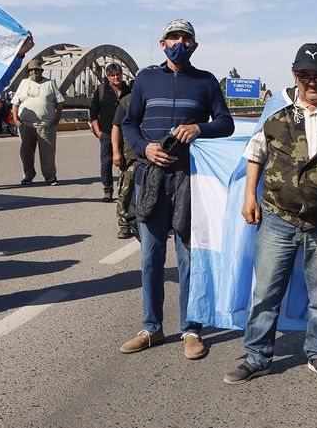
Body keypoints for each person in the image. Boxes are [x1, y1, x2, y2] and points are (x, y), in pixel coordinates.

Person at [223, 43, 317, 385]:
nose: (311, 82)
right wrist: (249, 195)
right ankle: (257, 356)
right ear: (295, 76)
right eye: (305, 76)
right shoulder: (277, 112)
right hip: (278, 218)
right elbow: (255, 153)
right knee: (265, 293)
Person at [120, 19, 234, 359]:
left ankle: (191, 329)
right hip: (151, 179)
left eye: (186, 38)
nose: (179, 43)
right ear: (162, 42)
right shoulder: (145, 79)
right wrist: (144, 148)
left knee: (189, 259)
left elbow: (225, 122)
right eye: (173, 37)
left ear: (194, 46)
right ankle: (151, 328)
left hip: (189, 181)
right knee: (150, 258)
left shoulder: (206, 82)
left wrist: (199, 127)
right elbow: (129, 123)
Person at [11, 58, 64, 186]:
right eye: (32, 70)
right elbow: (15, 102)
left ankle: (50, 177)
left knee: (48, 153)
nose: (34, 72)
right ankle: (28, 175)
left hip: (45, 125)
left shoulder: (50, 83)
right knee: (26, 152)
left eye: (37, 70)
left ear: (41, 71)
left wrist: (56, 119)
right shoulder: (23, 83)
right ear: (29, 72)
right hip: (26, 124)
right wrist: (15, 119)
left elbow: (60, 102)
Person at [89, 62, 130, 202]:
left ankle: (124, 190)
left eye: (118, 74)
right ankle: (108, 190)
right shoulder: (101, 90)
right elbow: (93, 113)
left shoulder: (129, 90)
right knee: (106, 162)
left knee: (126, 161)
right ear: (108, 77)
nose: (116, 77)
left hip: (126, 132)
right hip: (106, 132)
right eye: (112, 75)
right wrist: (99, 133)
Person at [111, 84, 137, 239]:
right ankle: (124, 224)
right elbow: (116, 127)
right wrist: (116, 151)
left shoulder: (158, 99)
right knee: (126, 190)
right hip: (131, 154)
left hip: (154, 152)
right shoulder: (127, 101)